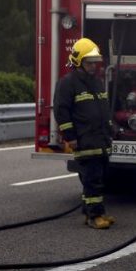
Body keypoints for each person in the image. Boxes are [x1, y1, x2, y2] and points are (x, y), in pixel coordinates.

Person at [53, 37, 115, 230]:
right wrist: (70, 137)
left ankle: (90, 212)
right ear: (78, 62)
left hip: (100, 139)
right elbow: (61, 111)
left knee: (98, 178)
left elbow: (102, 109)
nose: (93, 66)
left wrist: (109, 132)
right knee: (92, 180)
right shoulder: (68, 83)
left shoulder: (95, 82)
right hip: (85, 140)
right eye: (89, 63)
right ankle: (95, 216)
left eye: (95, 62)